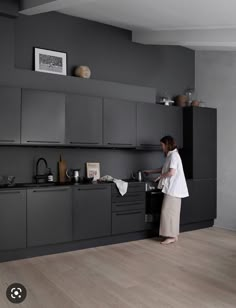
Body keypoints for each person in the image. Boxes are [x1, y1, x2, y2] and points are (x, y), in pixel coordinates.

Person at [144, 136, 189, 245]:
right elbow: (163, 168)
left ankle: (171, 236)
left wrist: (160, 177)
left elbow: (171, 172)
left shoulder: (174, 156)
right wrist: (150, 171)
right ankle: (173, 235)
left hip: (174, 189)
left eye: (162, 145)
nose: (161, 147)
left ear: (167, 144)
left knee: (168, 212)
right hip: (173, 189)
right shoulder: (171, 155)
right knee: (172, 213)